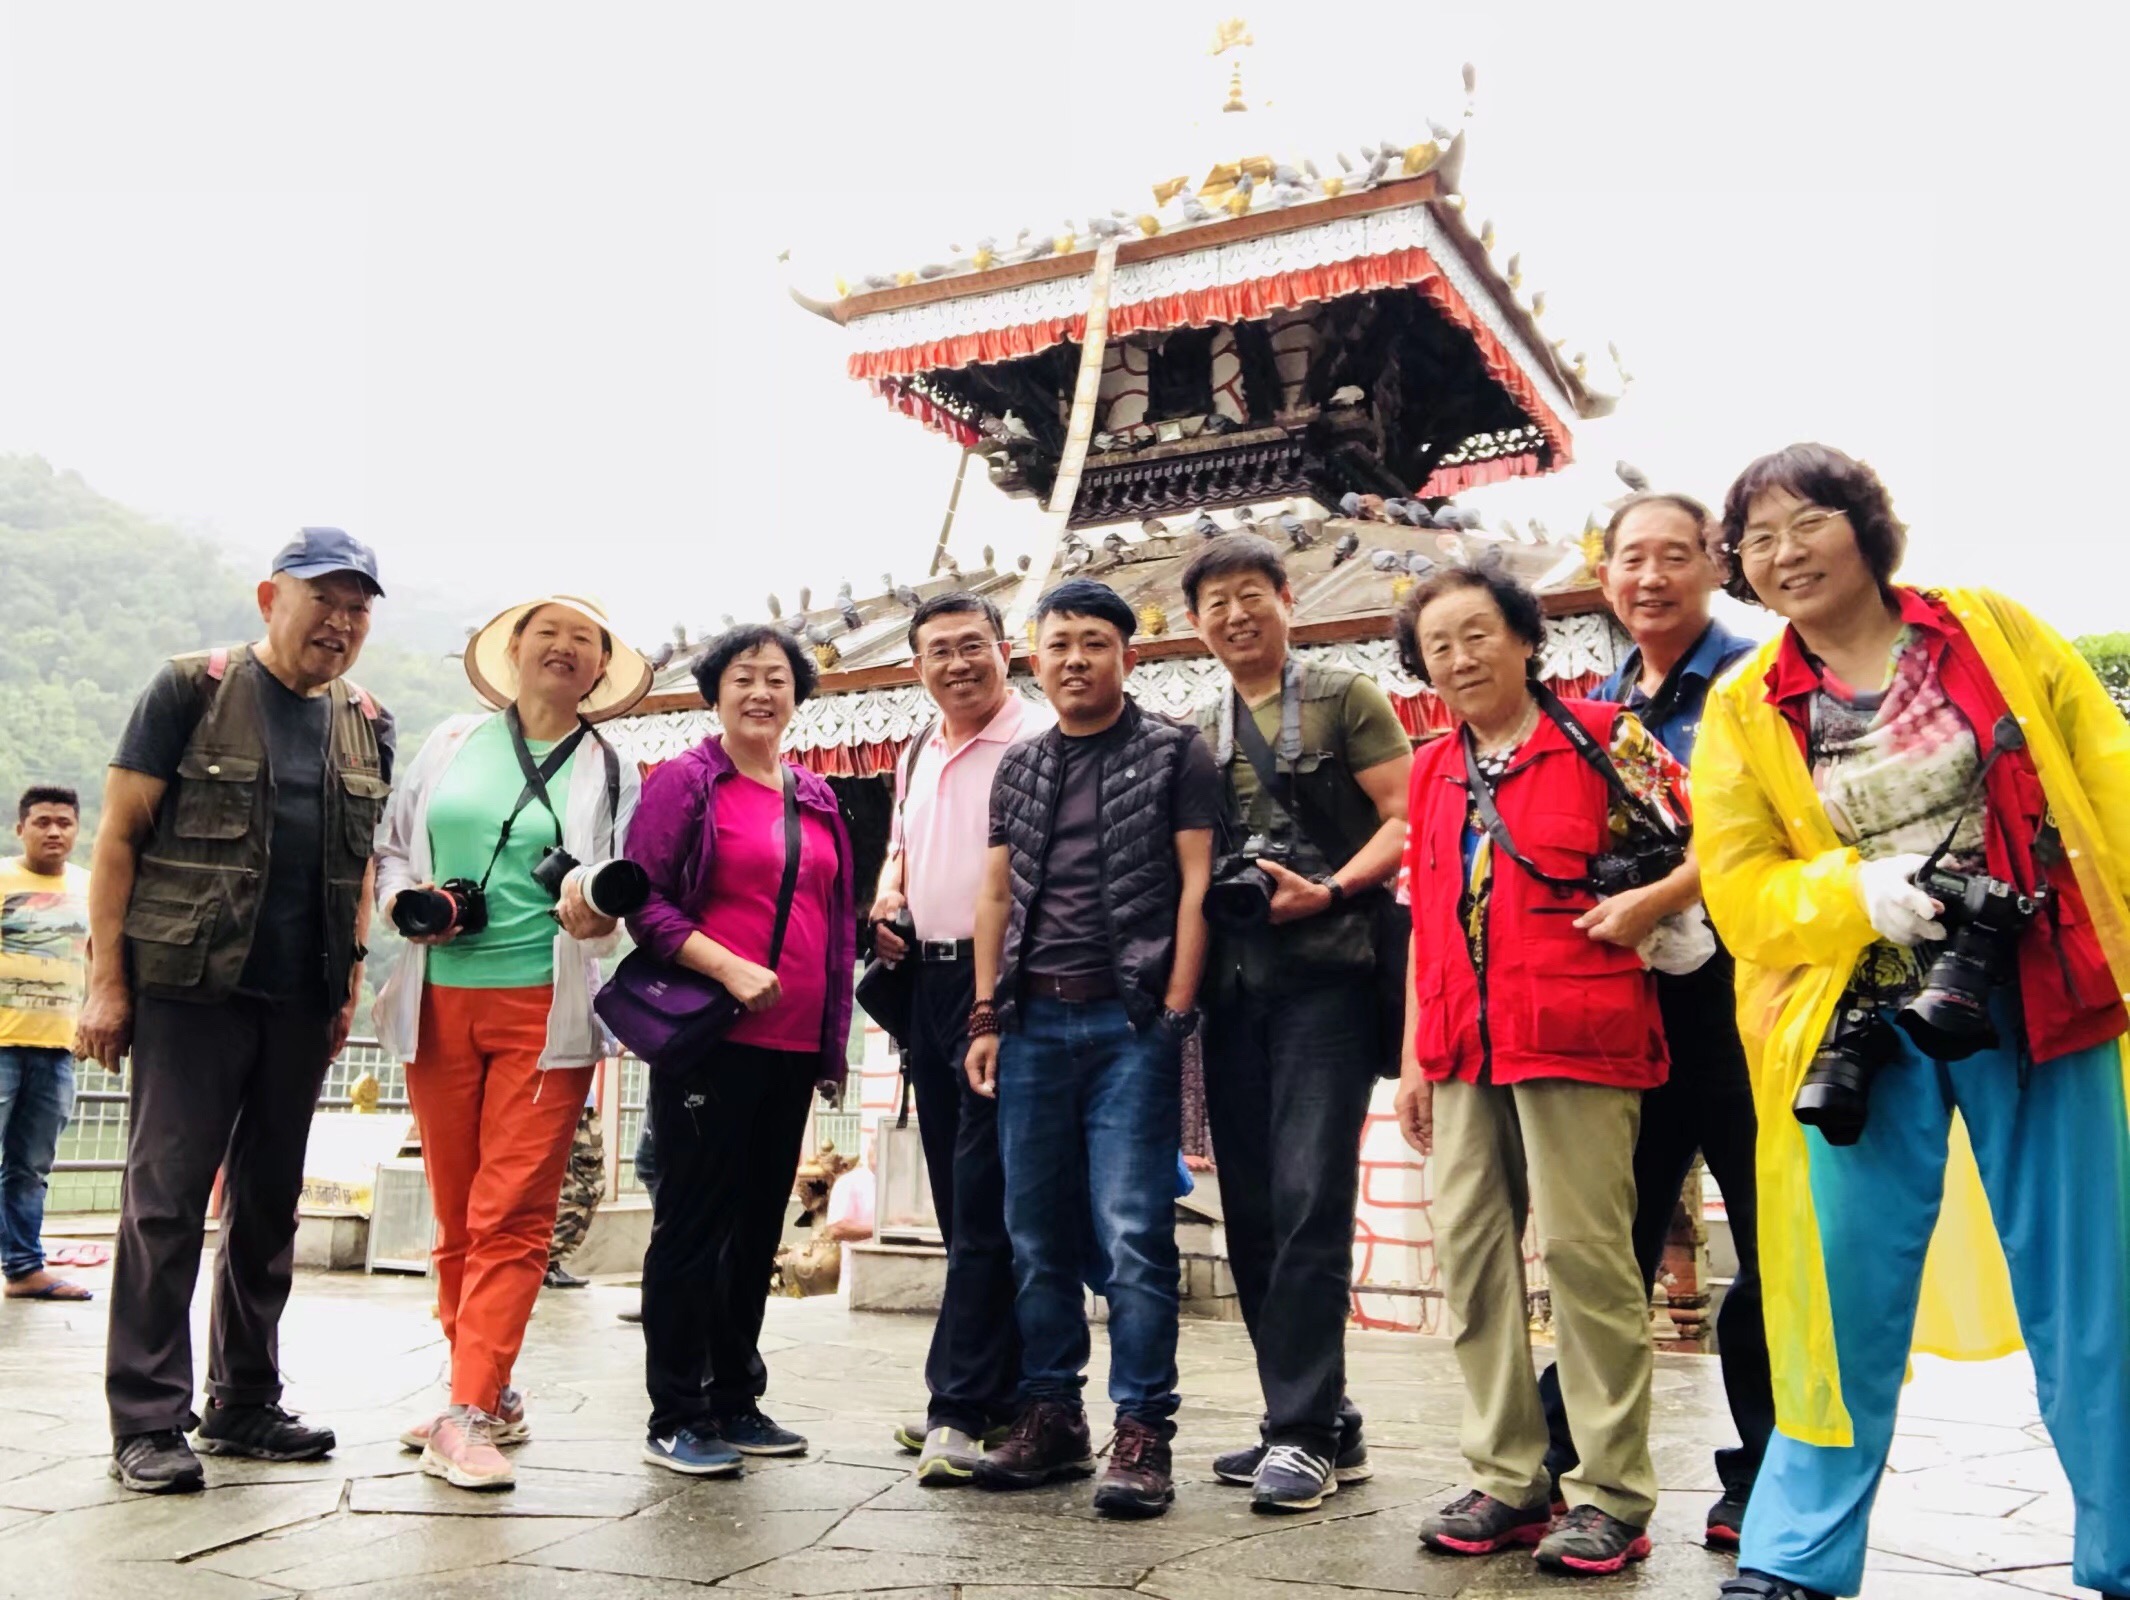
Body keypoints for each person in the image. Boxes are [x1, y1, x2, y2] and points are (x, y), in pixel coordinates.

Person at [1691, 444, 2130, 1600]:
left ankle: (2128, 1539)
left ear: (1866, 523)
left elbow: (2109, 778)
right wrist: (1851, 893)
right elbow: (1738, 884)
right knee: (1834, 1292)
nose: (1784, 553)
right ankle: (1795, 1553)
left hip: (2035, 989)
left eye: (1807, 521)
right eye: (1757, 539)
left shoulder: (1990, 630)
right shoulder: (1746, 705)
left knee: (2091, 1281)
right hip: (1859, 1018)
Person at [80, 528, 394, 1495]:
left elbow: (359, 866)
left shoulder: (367, 721)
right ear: (270, 598)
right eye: (322, 600)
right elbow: (118, 838)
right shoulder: (191, 688)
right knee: (167, 1202)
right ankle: (147, 1417)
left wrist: (347, 984)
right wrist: (106, 983)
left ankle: (244, 1399)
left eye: (357, 609)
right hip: (189, 988)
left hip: (302, 997)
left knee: (267, 1204)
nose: (339, 623)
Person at [1392, 566, 1688, 1578]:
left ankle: (1610, 1492)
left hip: (1578, 1033)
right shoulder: (1433, 770)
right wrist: (1415, 1058)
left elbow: (1723, 844)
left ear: (1526, 639)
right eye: (1438, 646)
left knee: (1586, 1260)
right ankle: (1508, 1475)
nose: (1461, 658)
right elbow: (1428, 920)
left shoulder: (1607, 737)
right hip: (1461, 1047)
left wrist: (1648, 905)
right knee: (1472, 1260)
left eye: (1479, 634)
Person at [1533, 493, 1775, 1547]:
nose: (1651, 578)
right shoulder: (1594, 705)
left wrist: (1660, 897)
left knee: (1768, 1242)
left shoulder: (1760, 681)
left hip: (1749, 998)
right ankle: (1559, 1458)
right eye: (1632, 559)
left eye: (1676, 556)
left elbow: (1776, 827)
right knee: (1607, 1240)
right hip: (1629, 1004)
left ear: (1717, 565)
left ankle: (1766, 1473)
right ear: (1604, 575)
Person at [373, 594, 649, 1491]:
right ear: (515, 650)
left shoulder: (612, 767)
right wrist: (402, 904)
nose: (563, 649)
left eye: (583, 640)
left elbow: (621, 892)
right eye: (547, 634)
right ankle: (487, 1390)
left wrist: (596, 914)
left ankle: (466, 1411)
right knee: (457, 1214)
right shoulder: (451, 743)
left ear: (600, 666)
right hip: (437, 1003)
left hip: (543, 1007)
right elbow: (393, 849)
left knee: (513, 1213)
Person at [964, 577, 1219, 1519]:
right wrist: (985, 1016)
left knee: (1133, 1233)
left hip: (1128, 1024)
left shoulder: (1174, 751)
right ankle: (1053, 1414)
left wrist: (1174, 1007)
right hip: (1031, 1024)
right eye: (1060, 643)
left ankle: (1144, 1428)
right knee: (1034, 1232)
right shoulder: (1022, 767)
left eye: (1095, 643)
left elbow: (1196, 884)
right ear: (1035, 658)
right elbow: (997, 894)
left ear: (1127, 656)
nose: (1075, 659)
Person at [1179, 535, 1412, 1512]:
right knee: (1254, 1210)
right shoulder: (1196, 729)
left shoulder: (1345, 698)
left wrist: (1331, 889)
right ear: (1195, 623)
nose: (1236, 616)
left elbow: (1405, 816)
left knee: (1311, 1194)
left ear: (1287, 598)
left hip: (1329, 979)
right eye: (1216, 603)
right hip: (1235, 988)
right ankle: (1320, 1416)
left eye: (1251, 595)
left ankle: (1302, 1432)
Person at [624, 624, 856, 1478]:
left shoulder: (815, 795)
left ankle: (734, 1398)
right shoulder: (686, 782)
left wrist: (833, 1033)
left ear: (798, 697)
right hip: (710, 1037)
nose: (761, 693)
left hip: (790, 1041)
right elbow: (642, 901)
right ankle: (675, 1413)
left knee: (757, 1226)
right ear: (715, 693)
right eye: (744, 678)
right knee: (693, 1225)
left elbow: (831, 918)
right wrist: (725, 966)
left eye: (777, 679)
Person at [867, 590, 1054, 1484]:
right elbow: (905, 848)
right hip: (929, 984)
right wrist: (888, 894)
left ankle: (958, 1404)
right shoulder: (917, 748)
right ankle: (1007, 1393)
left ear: (1005, 650)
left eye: (972, 645)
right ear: (916, 667)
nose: (957, 664)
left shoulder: (1039, 740)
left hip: (1006, 989)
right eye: (938, 651)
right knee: (959, 1198)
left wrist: (998, 997)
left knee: (985, 1198)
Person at [2, 786, 93, 1302]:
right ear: (21, 829)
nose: (54, 831)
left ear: (77, 830)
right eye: (42, 822)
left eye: (64, 822)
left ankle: (23, 1269)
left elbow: (99, 959)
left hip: (57, 1048)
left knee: (31, 1166)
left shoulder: (89, 887)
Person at [544, 1095, 606, 1289]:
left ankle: (538, 1263)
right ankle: (542, 1263)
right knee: (585, 1187)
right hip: (567, 1095)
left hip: (549, 1096)